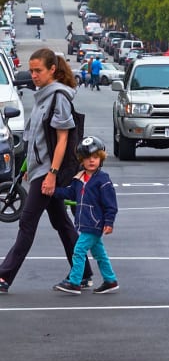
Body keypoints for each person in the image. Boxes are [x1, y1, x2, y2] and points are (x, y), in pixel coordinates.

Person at [0, 48, 92, 293]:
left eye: (38, 70)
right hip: (40, 169)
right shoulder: (43, 96)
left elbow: (63, 139)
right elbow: (39, 138)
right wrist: (30, 166)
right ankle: (83, 273)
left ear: (52, 69)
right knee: (61, 223)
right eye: (31, 71)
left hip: (48, 172)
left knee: (27, 223)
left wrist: (51, 173)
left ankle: (4, 276)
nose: (34, 75)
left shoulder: (58, 97)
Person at [52, 136, 119, 295]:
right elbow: (70, 193)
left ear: (101, 159)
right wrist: (53, 191)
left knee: (79, 250)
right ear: (82, 160)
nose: (91, 161)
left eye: (95, 157)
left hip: (94, 224)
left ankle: (75, 282)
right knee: (99, 254)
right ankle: (110, 280)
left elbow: (111, 204)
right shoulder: (79, 179)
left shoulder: (103, 180)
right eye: (87, 158)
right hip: (86, 223)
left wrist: (109, 222)